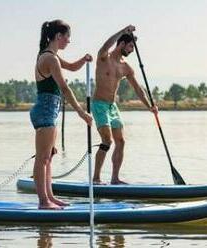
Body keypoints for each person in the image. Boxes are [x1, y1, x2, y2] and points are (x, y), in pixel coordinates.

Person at [30, 19, 93, 209]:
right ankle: (43, 202)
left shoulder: (52, 56)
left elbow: (72, 67)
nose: (69, 41)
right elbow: (65, 89)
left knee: (48, 157)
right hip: (45, 110)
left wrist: (84, 59)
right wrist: (82, 113)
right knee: (42, 158)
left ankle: (50, 197)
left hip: (50, 111)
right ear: (59, 36)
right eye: (67, 37)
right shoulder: (49, 58)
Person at [91, 25, 158, 185]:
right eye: (130, 46)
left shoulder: (126, 67)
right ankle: (96, 179)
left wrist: (150, 106)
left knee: (121, 141)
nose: (132, 50)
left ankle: (115, 179)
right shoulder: (104, 57)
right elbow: (105, 45)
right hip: (99, 104)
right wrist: (122, 31)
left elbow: (138, 88)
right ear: (121, 44)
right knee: (107, 141)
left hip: (112, 107)